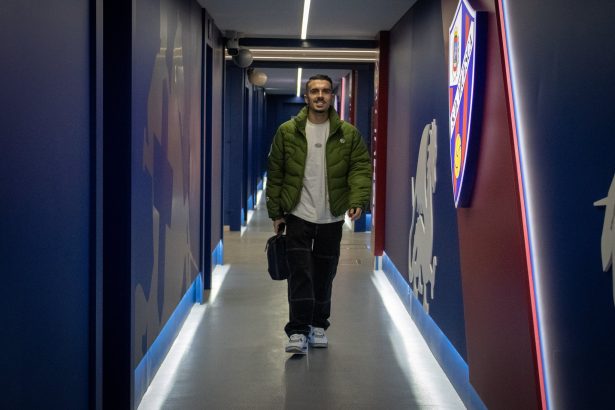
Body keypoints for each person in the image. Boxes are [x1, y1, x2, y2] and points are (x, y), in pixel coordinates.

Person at [266, 74, 372, 354]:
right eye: (315, 91)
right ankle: (298, 330)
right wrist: (276, 212)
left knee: (325, 273)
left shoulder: (347, 134)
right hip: (298, 214)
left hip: (332, 216)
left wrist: (358, 199)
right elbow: (276, 172)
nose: (320, 96)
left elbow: (361, 167)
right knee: (299, 273)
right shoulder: (287, 132)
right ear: (306, 96)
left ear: (332, 96)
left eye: (325, 91)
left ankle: (318, 325)